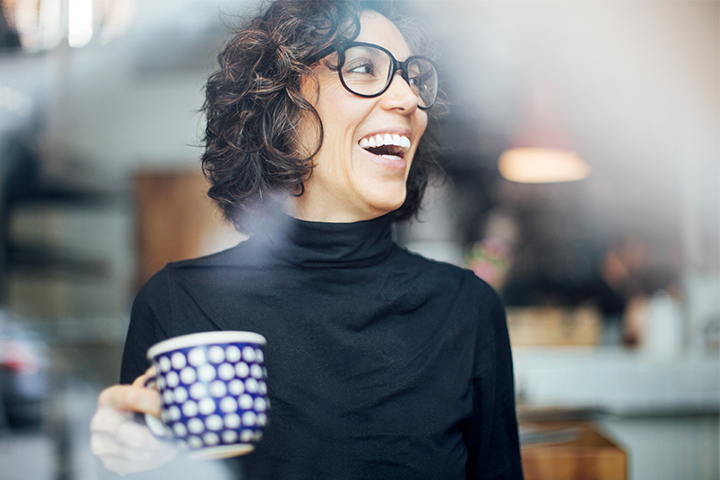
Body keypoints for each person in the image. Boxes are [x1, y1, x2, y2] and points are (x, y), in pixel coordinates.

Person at [90, 0, 524, 478]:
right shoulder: (178, 304)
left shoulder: (466, 311)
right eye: (364, 68)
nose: (408, 99)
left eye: (413, 77)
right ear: (282, 102)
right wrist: (129, 461)